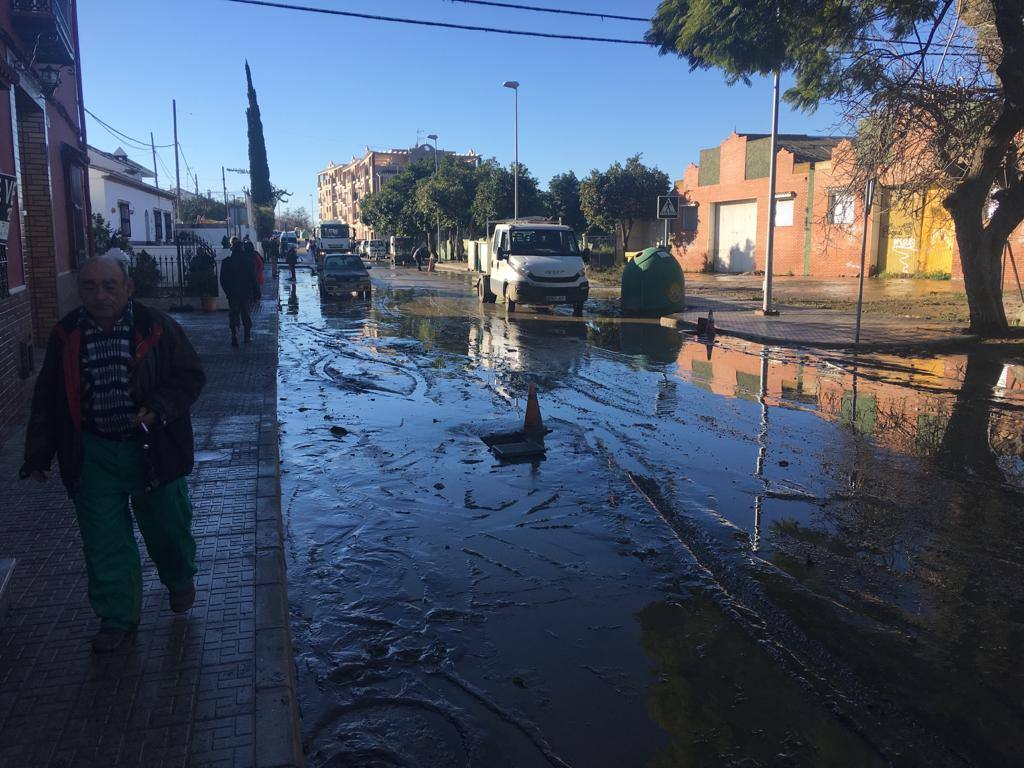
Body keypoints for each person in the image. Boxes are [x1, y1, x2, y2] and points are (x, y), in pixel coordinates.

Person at [20, 254, 206, 653]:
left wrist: (158, 408)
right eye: (89, 286)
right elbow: (49, 397)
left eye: (109, 286)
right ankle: (117, 617)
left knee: (168, 528)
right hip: (93, 454)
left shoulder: (154, 326)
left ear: (128, 288)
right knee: (104, 541)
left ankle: (179, 580)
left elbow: (190, 376)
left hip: (152, 449)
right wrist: (38, 453)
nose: (100, 295)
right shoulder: (66, 334)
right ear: (79, 290)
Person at [221, 238, 261, 346]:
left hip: (233, 294)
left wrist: (228, 292)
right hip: (246, 294)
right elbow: (253, 278)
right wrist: (257, 292)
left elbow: (223, 280)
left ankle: (235, 333)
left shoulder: (227, 262)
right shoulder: (249, 262)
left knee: (234, 313)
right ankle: (247, 336)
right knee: (246, 314)